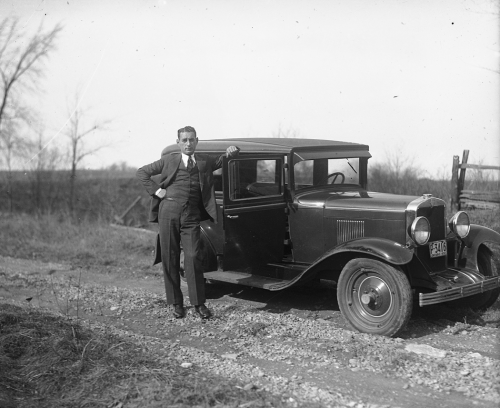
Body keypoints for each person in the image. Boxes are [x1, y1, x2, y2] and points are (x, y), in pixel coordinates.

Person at [136, 126, 239, 319]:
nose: (188, 143)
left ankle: (199, 303)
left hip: (191, 215)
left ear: (197, 141)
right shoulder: (169, 160)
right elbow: (142, 172)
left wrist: (231, 150)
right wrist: (158, 191)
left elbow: (222, 159)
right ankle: (176, 303)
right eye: (184, 140)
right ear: (178, 142)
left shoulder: (203, 161)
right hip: (168, 213)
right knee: (170, 257)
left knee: (193, 256)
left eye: (191, 140)